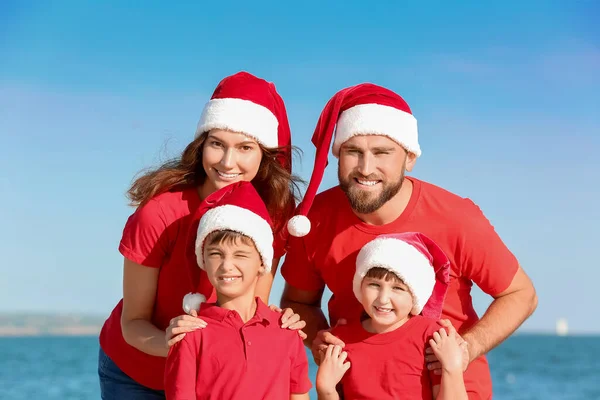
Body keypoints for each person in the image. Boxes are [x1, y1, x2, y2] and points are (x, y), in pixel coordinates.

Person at [281, 83, 538, 398]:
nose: (365, 168)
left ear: (409, 157)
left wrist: (467, 349)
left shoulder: (456, 217)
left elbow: (521, 294)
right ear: (337, 154)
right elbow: (298, 303)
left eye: (381, 153)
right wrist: (319, 338)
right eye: (353, 151)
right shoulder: (315, 218)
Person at [98, 72, 306, 399]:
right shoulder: (161, 214)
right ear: (201, 145)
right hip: (138, 373)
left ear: (264, 154)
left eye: (245, 148)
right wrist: (175, 342)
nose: (227, 161)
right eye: (217, 144)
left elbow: (253, 304)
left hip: (214, 374)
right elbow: (133, 322)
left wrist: (280, 324)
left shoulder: (273, 216)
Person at [165, 181, 312, 399]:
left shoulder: (287, 330)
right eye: (215, 254)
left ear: (262, 263)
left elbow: (299, 395)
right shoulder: (192, 335)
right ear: (203, 260)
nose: (226, 265)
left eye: (240, 255)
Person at [316, 232, 467, 400]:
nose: (383, 298)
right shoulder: (341, 340)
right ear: (360, 285)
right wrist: (326, 390)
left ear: (416, 295)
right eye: (374, 284)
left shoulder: (432, 336)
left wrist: (452, 368)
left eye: (398, 288)